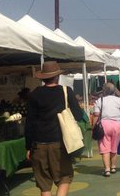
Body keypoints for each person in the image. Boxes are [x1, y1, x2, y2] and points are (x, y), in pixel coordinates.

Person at [25, 61, 82, 196]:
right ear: (57, 76)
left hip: (39, 144)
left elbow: (30, 123)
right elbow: (79, 115)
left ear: (43, 78)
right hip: (60, 143)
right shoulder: (66, 91)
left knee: (44, 184)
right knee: (64, 177)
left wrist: (28, 146)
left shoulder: (34, 95)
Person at [93, 82, 120, 177]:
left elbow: (96, 115)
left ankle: (107, 169)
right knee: (114, 147)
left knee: (105, 149)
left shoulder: (99, 100)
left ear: (104, 90)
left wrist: (93, 127)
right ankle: (113, 167)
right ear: (114, 90)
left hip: (104, 125)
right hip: (118, 125)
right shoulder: (119, 100)